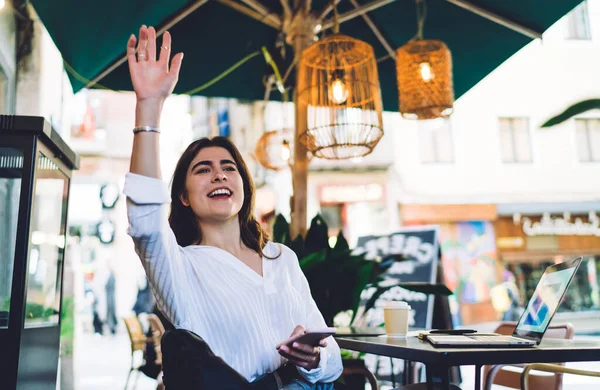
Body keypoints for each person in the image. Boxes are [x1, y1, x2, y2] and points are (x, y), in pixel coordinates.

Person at [123, 25, 343, 389]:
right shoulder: (179, 267)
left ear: (244, 185)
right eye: (203, 170)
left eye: (229, 168)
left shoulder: (281, 258)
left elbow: (331, 355)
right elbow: (145, 219)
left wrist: (315, 357)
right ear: (182, 195)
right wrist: (148, 106)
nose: (219, 176)